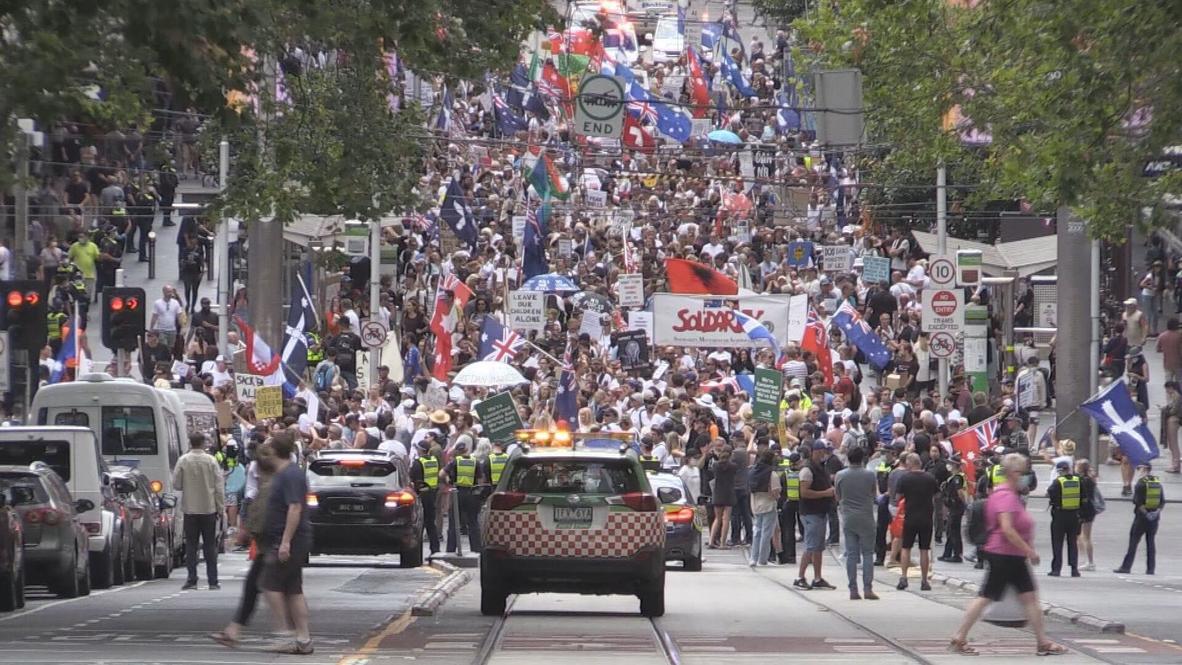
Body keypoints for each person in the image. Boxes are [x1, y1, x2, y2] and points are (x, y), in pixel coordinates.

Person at [949, 453, 1067, 656]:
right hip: (1004, 555)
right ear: (1013, 473)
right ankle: (959, 637)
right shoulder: (1005, 496)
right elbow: (1007, 529)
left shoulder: (1008, 494)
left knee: (1027, 598)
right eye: (1023, 472)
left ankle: (1042, 642)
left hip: (1010, 555)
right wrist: (1029, 551)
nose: (1026, 477)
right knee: (987, 596)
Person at [210, 441, 279, 648]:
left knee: (275, 591)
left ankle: (289, 632)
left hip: (273, 548)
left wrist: (246, 533)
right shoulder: (273, 486)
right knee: (255, 587)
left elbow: (260, 519)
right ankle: (234, 630)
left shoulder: (269, 489)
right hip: (270, 547)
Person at [260, 431, 314, 655]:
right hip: (290, 539)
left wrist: (285, 542)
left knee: (269, 585)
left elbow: (295, 507)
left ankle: (284, 633)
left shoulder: (290, 475)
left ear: (275, 450)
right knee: (293, 590)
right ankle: (303, 638)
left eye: (269, 447)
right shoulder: (286, 473)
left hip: (289, 539)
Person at [173, 433, 225, 591]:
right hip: (208, 508)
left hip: (190, 509)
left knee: (191, 545)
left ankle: (192, 579)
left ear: (190, 443)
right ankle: (213, 581)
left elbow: (176, 484)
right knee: (210, 545)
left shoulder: (183, 460)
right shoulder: (211, 461)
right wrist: (220, 508)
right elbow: (219, 487)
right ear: (203, 443)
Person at [835, 446, 879, 600]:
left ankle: (853, 589)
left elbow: (837, 496)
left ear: (848, 458)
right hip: (866, 516)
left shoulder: (840, 475)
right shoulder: (870, 475)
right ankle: (868, 588)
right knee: (867, 553)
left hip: (848, 517)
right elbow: (873, 494)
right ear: (862, 458)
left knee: (851, 554)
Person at [794, 441, 837, 590]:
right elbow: (804, 493)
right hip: (811, 513)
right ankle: (800, 577)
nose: (826, 454)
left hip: (820, 511)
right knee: (811, 546)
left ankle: (817, 578)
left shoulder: (821, 468)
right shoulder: (807, 470)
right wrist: (825, 493)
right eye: (824, 451)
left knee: (818, 547)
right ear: (816, 451)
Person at [895, 452, 939, 590]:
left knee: (906, 547)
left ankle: (904, 577)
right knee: (924, 549)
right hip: (926, 517)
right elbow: (937, 494)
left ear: (910, 463)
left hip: (910, 517)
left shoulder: (904, 478)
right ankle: (924, 580)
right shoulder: (930, 477)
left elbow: (897, 497)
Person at [1114, 463, 1165, 575]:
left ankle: (1126, 567)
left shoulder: (1140, 484)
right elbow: (1162, 502)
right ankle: (1150, 569)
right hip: (1154, 519)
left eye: (1139, 468)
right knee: (1150, 542)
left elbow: (1138, 502)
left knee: (1133, 542)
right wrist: (1155, 513)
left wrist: (1146, 514)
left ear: (1145, 469)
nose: (1138, 471)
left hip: (1141, 518)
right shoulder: (1157, 483)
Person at [444, 437, 489, 553]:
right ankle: (476, 549)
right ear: (467, 449)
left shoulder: (455, 461)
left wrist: (448, 479)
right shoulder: (475, 462)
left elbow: (441, 474)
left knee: (454, 522)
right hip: (472, 493)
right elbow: (481, 479)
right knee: (473, 522)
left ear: (458, 451)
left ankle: (451, 549)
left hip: (457, 493)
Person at [1046, 459, 1086, 577]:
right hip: (1074, 515)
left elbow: (1050, 493)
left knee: (1057, 543)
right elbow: (1084, 498)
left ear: (1060, 471)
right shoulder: (1078, 481)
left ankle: (1056, 569)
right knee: (1072, 543)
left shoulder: (1058, 482)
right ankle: (1074, 569)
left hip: (1060, 515)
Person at [747, 449, 781, 567]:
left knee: (757, 531)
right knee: (766, 533)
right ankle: (762, 559)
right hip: (769, 504)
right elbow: (775, 491)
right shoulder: (772, 473)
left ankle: (753, 558)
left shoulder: (752, 471)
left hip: (755, 505)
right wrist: (777, 497)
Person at [410, 439, 442, 555]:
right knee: (430, 523)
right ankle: (435, 549)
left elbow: (413, 478)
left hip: (422, 495)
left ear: (421, 450)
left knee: (419, 525)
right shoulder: (434, 460)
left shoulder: (418, 463)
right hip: (432, 494)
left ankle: (416, 551)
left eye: (418, 448)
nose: (417, 450)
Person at [777, 452, 801, 565]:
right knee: (806, 530)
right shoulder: (803, 473)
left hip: (788, 503)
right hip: (802, 503)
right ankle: (810, 556)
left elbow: (781, 491)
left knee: (788, 530)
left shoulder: (785, 474)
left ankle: (790, 557)